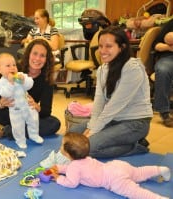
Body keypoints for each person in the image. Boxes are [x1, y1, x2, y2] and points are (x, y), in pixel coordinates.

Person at [41, 26, 153, 167]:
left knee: (87, 147)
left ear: (122, 47)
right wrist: (92, 126)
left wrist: (92, 131)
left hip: (135, 123)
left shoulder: (133, 68)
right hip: (113, 120)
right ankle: (121, 140)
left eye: (109, 46)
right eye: (100, 46)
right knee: (72, 134)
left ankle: (136, 146)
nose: (102, 51)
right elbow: (99, 102)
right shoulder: (102, 69)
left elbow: (115, 106)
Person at [0, 39, 61, 140]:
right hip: (5, 111)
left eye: (42, 55)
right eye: (35, 53)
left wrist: (36, 107)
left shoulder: (47, 80)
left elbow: (46, 112)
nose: (37, 58)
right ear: (29, 54)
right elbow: (0, 93)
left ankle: (3, 132)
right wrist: (1, 103)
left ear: (47, 59)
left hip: (26, 116)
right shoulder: (15, 67)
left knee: (54, 123)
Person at [50, 133, 171, 199]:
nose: (60, 146)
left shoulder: (73, 167)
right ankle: (160, 170)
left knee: (134, 192)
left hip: (113, 180)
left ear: (67, 153)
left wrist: (58, 178)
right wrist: (59, 168)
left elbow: (72, 182)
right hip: (117, 166)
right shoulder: (85, 159)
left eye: (61, 145)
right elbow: (75, 170)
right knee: (138, 172)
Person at [0, 53, 43, 149]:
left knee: (34, 120)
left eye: (14, 65)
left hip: (27, 105)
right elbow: (5, 93)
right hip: (15, 109)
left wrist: (24, 80)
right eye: (8, 66)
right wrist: (11, 82)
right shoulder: (2, 83)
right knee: (18, 126)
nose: (12, 68)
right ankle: (20, 140)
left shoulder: (20, 75)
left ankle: (34, 135)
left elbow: (30, 84)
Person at [152, 18, 173, 128]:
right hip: (169, 56)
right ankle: (164, 112)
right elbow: (155, 45)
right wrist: (169, 48)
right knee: (163, 70)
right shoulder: (170, 24)